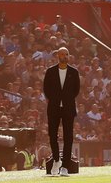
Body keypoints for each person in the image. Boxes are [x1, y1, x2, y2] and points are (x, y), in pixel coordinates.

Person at [42, 47, 79, 177]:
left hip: (68, 108)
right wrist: (55, 99)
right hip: (54, 108)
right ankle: (56, 160)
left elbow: (76, 90)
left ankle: (65, 167)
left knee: (68, 137)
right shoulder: (50, 71)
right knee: (53, 135)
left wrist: (66, 99)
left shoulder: (74, 72)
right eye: (62, 54)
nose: (65, 56)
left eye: (67, 54)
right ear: (58, 56)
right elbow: (46, 89)